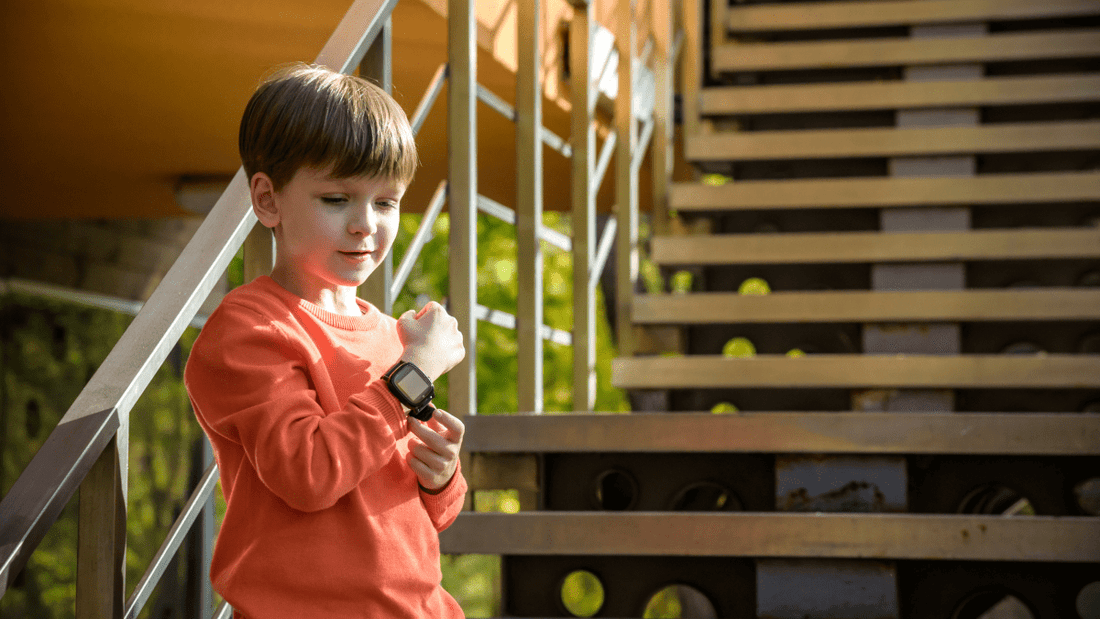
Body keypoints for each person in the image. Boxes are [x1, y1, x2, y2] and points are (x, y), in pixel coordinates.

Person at [184, 63, 468, 618]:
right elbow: (309, 475)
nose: (366, 224)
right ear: (268, 200)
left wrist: (444, 476)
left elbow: (427, 514)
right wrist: (414, 374)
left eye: (386, 202)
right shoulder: (250, 328)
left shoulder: (392, 336)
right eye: (337, 199)